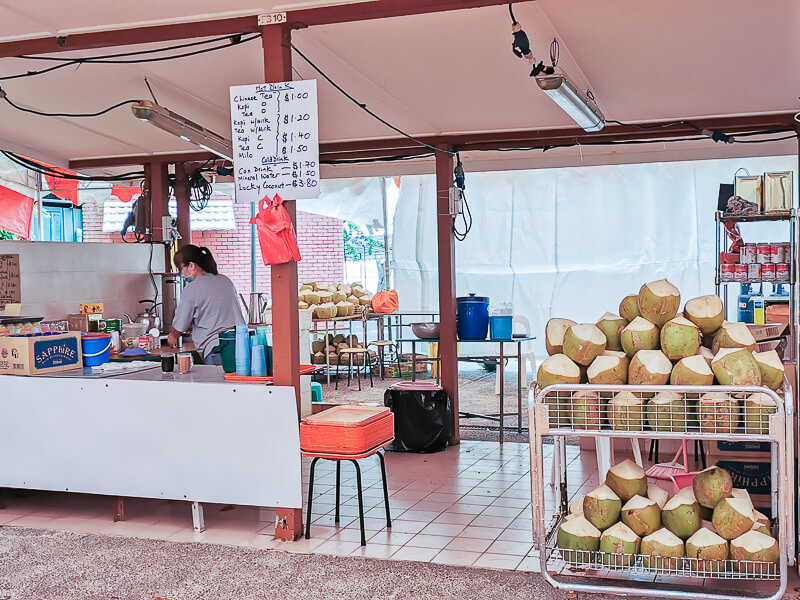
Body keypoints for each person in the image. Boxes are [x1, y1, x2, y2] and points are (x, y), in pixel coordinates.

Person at [168, 245, 244, 364]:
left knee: (216, 382)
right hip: (240, 346)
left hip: (217, 349)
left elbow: (180, 325)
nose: (182, 273)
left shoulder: (192, 288)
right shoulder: (225, 280)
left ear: (191, 265)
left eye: (182, 268)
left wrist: (172, 336)